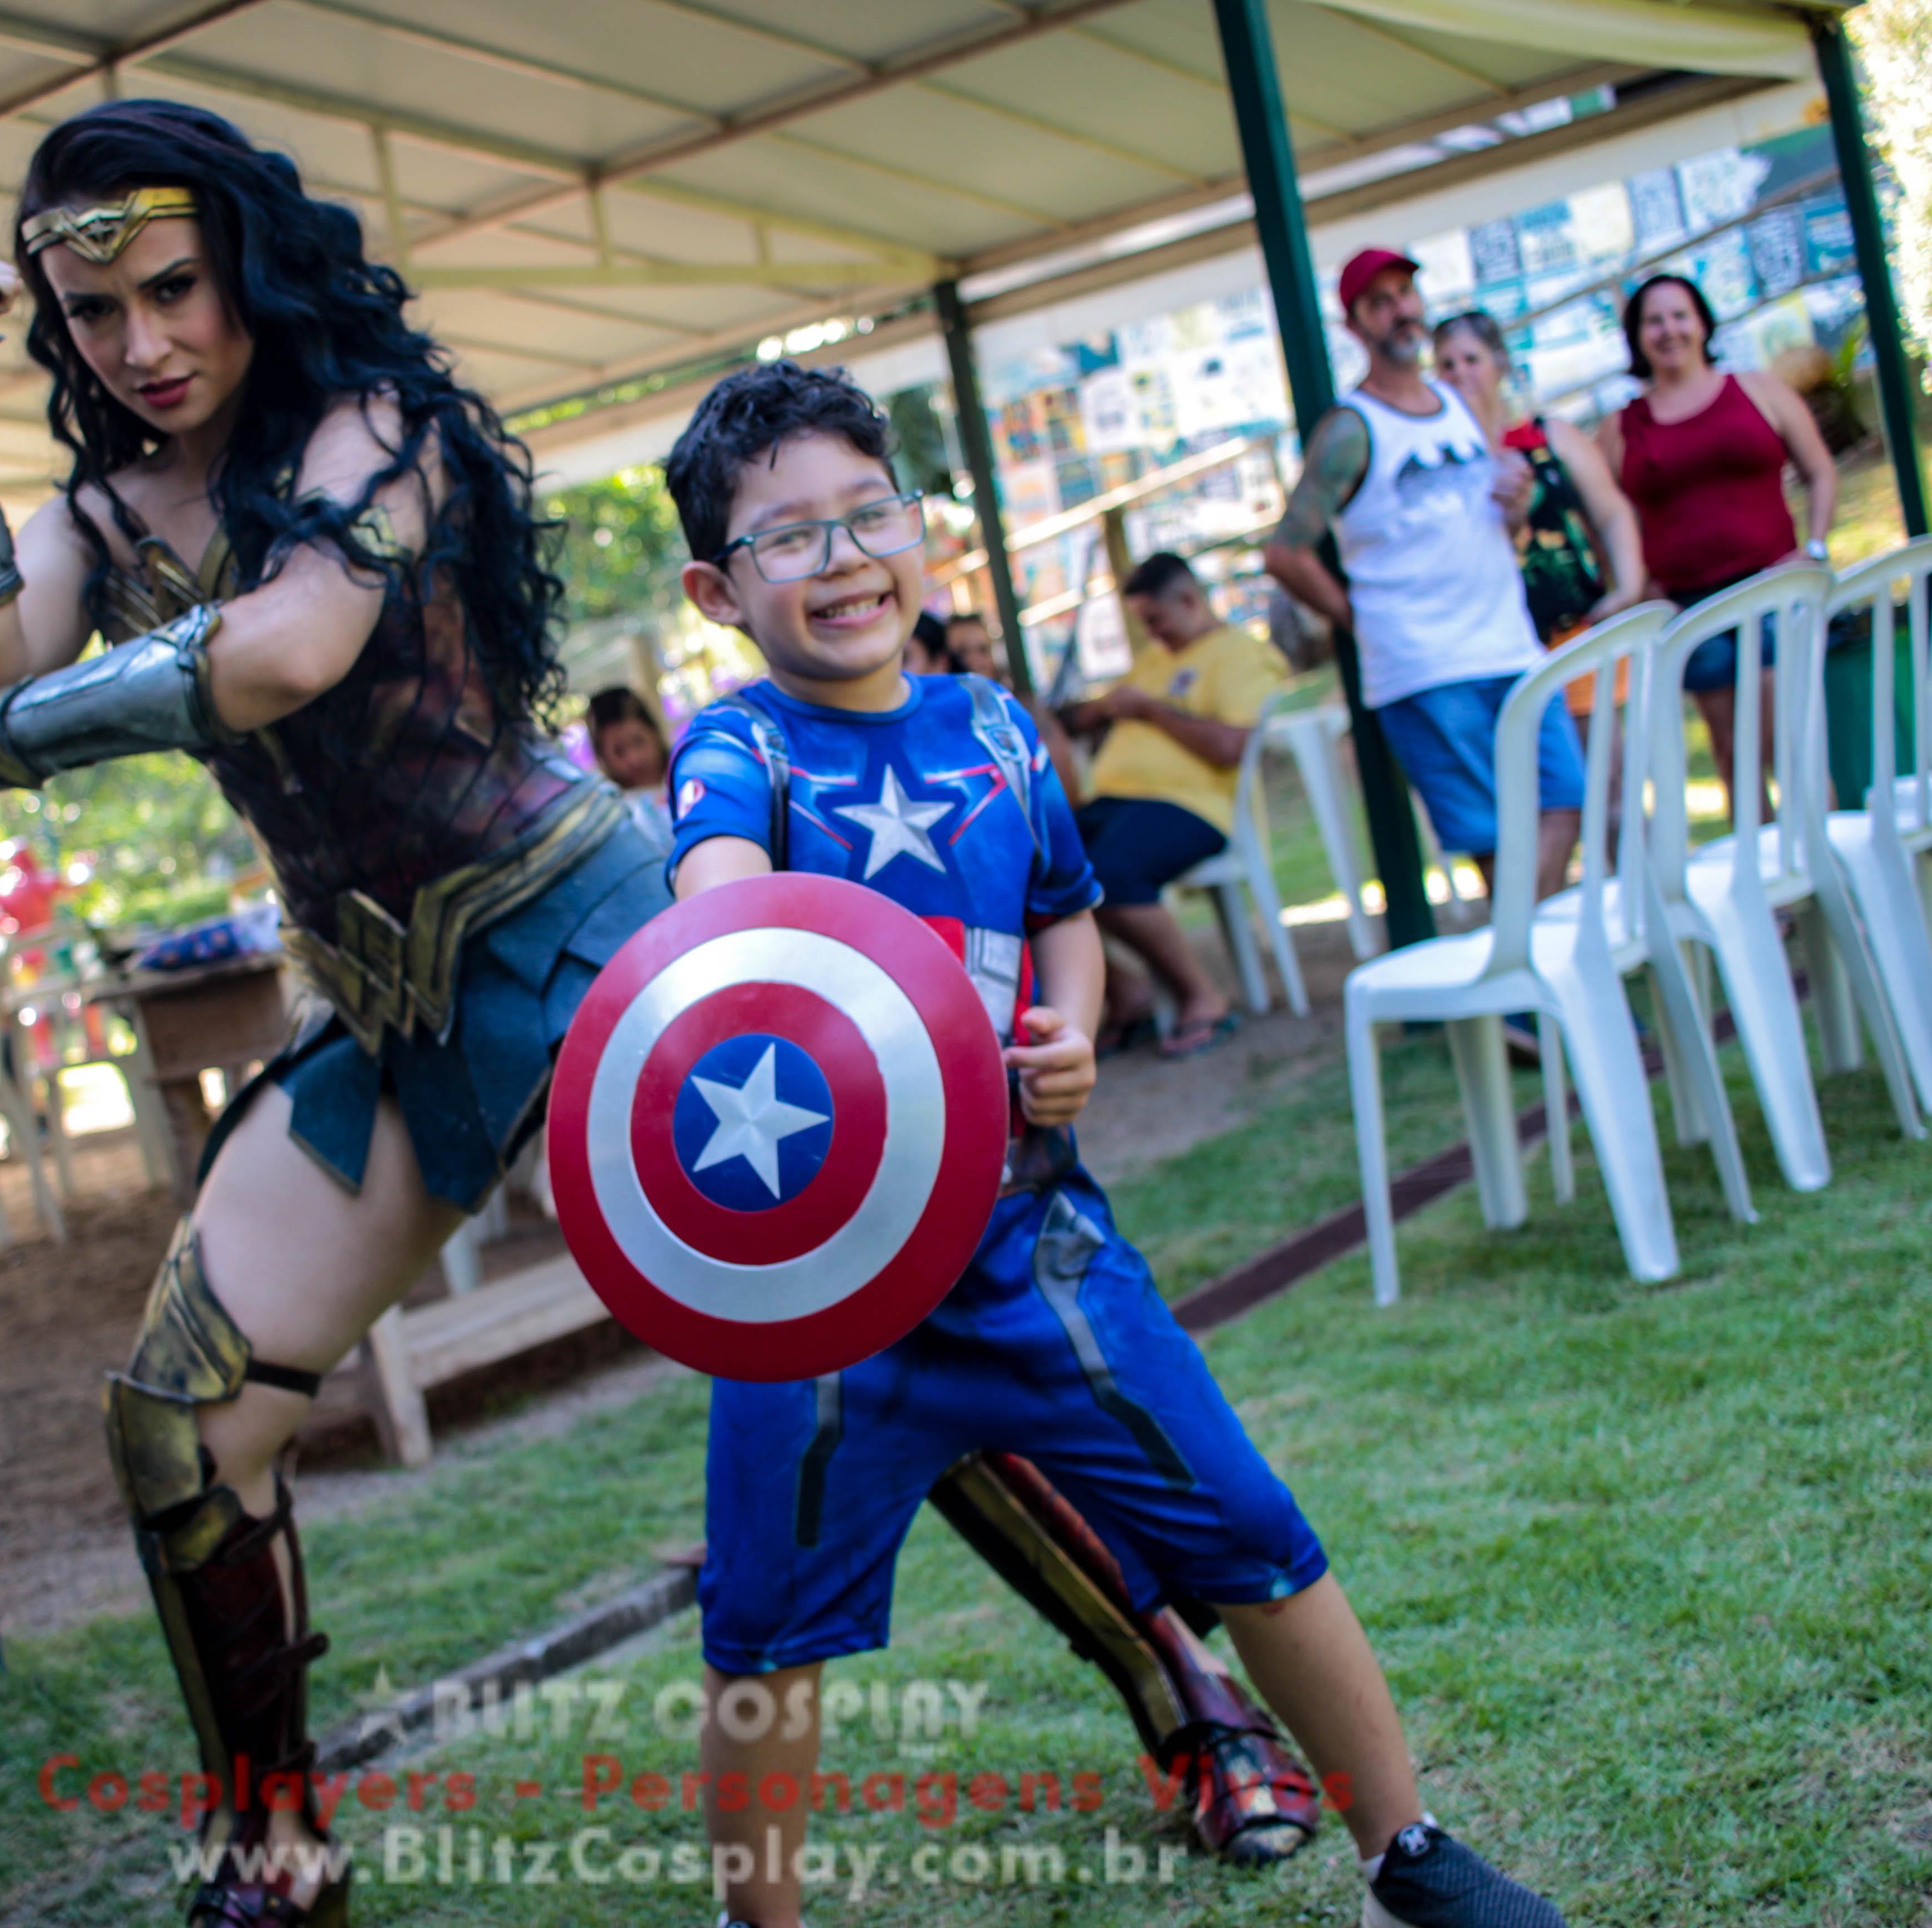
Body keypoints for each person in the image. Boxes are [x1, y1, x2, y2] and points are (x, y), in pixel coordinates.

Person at [0, 100, 670, 1923]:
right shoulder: (107, 504)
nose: (143, 344)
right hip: (377, 998)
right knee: (183, 1421)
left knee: (834, 1305)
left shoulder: (369, 422)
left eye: (175, 289)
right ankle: (276, 1846)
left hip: (570, 933)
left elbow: (281, 648)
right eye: (95, 318)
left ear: (243, 265)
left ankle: (1194, 1704)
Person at [663, 360, 1568, 1928]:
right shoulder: (740, 751)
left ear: (920, 530)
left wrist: (1072, 1029)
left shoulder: (1000, 729)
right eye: (788, 537)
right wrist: (741, 928)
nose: (843, 558)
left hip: (1036, 1242)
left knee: (1251, 1528)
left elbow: (1066, 913)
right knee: (763, 1629)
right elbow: (717, 888)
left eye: (867, 513)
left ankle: (1404, 1855)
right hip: (818, 1295)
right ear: (715, 590)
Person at [1263, 248, 1583, 900]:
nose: (1401, 310)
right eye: (1380, 302)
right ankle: (1543, 984)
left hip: (1509, 645)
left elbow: (1493, 521)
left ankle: (1531, 971)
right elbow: (1286, 551)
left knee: (1567, 800)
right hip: (1425, 665)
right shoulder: (1351, 429)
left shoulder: (1460, 401)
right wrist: (1361, 619)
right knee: (1493, 840)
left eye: (1406, 293)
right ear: (1354, 325)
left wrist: (1517, 509)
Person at [1594, 272, 1838, 803]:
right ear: (1637, 337)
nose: (1668, 330)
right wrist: (1637, 586)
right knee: (1733, 754)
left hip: (1772, 588)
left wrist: (1815, 548)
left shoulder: (1756, 389)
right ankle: (1764, 881)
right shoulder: (1621, 429)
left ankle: (1826, 870)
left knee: (1790, 741)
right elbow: (1603, 518)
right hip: (1688, 609)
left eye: (1679, 316)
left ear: (1702, 322)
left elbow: (1820, 470)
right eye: (1653, 321)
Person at [1059, 551, 1286, 1058]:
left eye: (1154, 620)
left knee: (1108, 875)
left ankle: (1202, 995)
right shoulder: (1155, 659)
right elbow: (1094, 715)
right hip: (1115, 801)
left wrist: (1151, 712)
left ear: (1188, 600)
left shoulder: (1239, 655)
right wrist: (1100, 710)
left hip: (1191, 805)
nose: (1152, 632)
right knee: (1033, 867)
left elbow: (1234, 747)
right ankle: (1126, 992)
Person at [1431, 310, 1644, 644]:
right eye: (1447, 365)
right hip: (1490, 644)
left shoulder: (1551, 436)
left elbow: (1611, 511)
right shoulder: (1442, 463)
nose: (1459, 374)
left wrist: (1629, 587)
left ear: (1499, 363)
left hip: (1579, 630)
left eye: (1471, 359)